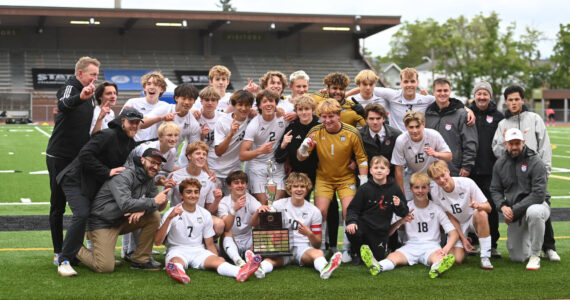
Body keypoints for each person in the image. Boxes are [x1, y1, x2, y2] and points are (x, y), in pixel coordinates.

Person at [55, 108, 142, 276]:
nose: (135, 126)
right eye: (131, 122)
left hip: (91, 183)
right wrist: (106, 172)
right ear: (122, 121)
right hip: (75, 179)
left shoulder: (129, 142)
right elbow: (85, 154)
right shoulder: (108, 135)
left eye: (137, 123)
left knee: (93, 212)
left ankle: (89, 253)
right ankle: (64, 259)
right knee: (82, 214)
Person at [74, 148, 169, 274]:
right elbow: (126, 204)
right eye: (152, 162)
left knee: (154, 216)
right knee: (105, 267)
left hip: (121, 220)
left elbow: (155, 204)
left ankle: (140, 259)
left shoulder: (149, 177)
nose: (156, 167)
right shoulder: (125, 174)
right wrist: (151, 203)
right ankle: (74, 248)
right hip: (102, 222)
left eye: (159, 165)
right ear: (142, 160)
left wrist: (143, 210)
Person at [491, 85, 559, 262]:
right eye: (510, 100)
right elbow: (497, 151)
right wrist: (504, 144)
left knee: (540, 203)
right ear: (506, 102)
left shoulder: (534, 119)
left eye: (516, 99)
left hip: (534, 171)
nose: (514, 103)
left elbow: (544, 146)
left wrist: (545, 171)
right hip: (514, 176)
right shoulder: (502, 124)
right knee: (517, 255)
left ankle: (548, 247)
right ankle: (525, 245)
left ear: (522, 100)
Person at [297, 99, 368, 260]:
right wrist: (303, 148)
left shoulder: (351, 132)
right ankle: (321, 247)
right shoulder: (316, 131)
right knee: (320, 212)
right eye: (324, 117)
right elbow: (301, 157)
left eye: (331, 116)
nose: (327, 120)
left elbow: (362, 158)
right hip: (324, 178)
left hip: (346, 178)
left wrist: (363, 180)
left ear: (339, 115)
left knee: (348, 212)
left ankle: (347, 249)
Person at [154, 178, 262, 284]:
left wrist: (217, 257)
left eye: (196, 192)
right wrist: (169, 218)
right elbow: (158, 242)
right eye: (188, 192)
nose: (193, 195)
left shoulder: (204, 213)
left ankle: (240, 272)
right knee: (176, 262)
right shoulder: (171, 212)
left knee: (218, 261)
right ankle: (180, 273)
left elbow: (209, 244)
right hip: (177, 250)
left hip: (198, 250)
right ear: (181, 195)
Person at [46, 56, 99, 265]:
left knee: (82, 205)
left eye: (96, 75)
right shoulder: (71, 87)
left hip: (79, 159)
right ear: (80, 74)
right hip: (60, 157)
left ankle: (76, 249)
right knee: (58, 205)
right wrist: (81, 97)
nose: (95, 78)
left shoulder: (91, 93)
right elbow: (64, 104)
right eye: (92, 74)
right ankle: (59, 251)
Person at [362, 172, 458, 278]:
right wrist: (401, 221)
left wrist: (445, 249)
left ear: (429, 189)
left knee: (438, 257)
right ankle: (377, 266)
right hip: (411, 246)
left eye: (423, 187)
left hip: (431, 246)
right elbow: (387, 233)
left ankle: (436, 268)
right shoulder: (404, 207)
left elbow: (453, 233)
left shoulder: (437, 208)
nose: (420, 191)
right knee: (394, 256)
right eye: (417, 187)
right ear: (411, 189)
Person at [252, 172, 342, 279]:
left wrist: (309, 234)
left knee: (318, 253)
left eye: (302, 186)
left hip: (302, 248)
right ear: (289, 188)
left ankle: (324, 269)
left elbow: (317, 244)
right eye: (295, 186)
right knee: (270, 260)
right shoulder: (277, 205)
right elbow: (254, 224)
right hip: (283, 247)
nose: (299, 189)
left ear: (307, 189)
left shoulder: (314, 211)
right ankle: (261, 269)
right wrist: (259, 212)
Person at [490, 128, 552, 270]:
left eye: (517, 143)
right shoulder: (500, 163)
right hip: (515, 210)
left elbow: (538, 194)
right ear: (505, 144)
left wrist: (513, 210)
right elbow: (495, 189)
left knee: (534, 212)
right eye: (511, 143)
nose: (514, 147)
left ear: (523, 142)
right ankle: (530, 240)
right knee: (517, 257)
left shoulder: (536, 161)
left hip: (538, 205)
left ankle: (536, 255)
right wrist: (503, 206)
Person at [346, 68, 475, 132]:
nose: (409, 85)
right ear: (401, 83)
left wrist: (468, 109)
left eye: (412, 81)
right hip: (397, 142)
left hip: (417, 141)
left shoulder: (426, 99)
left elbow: (448, 100)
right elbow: (367, 87)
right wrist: (346, 94)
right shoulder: (392, 95)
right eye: (406, 81)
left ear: (417, 82)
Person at [121, 122, 181, 259]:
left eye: (176, 135)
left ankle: (138, 248)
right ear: (160, 137)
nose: (173, 138)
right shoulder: (147, 149)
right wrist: (156, 181)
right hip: (130, 178)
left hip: (147, 180)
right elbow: (139, 174)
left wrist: (162, 181)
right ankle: (129, 250)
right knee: (136, 211)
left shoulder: (172, 151)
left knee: (148, 212)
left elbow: (165, 171)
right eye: (169, 135)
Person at [427, 160, 493, 270]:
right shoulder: (435, 192)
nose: (442, 180)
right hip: (456, 224)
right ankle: (465, 246)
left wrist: (478, 206)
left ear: (448, 171)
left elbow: (488, 208)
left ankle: (485, 257)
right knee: (456, 259)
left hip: (472, 219)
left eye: (443, 175)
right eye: (437, 178)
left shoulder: (467, 183)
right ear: (433, 180)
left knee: (482, 214)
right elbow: (449, 216)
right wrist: (463, 238)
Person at [346, 156, 408, 265]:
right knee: (352, 230)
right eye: (376, 167)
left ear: (388, 171)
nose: (379, 170)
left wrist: (399, 205)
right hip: (364, 227)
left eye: (382, 168)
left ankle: (372, 251)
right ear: (371, 170)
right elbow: (353, 209)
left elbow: (404, 212)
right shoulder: (364, 188)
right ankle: (356, 253)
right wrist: (351, 222)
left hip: (380, 231)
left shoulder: (395, 189)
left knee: (378, 258)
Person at [469, 81, 504, 258]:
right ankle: (472, 242)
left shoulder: (498, 116)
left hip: (491, 171)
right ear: (474, 95)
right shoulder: (465, 113)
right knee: (470, 208)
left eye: (485, 94)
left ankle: (493, 244)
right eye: (479, 93)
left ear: (490, 96)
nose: (482, 97)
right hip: (470, 170)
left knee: (490, 208)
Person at [240, 89, 288, 204]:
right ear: (259, 106)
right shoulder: (254, 125)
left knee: (276, 204)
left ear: (276, 104)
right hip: (257, 167)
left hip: (277, 167)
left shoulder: (284, 119)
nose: (268, 104)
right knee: (264, 204)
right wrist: (260, 151)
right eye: (264, 101)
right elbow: (242, 155)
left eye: (271, 101)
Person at [391, 110, 452, 200]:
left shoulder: (433, 135)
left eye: (417, 126)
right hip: (412, 174)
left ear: (423, 125)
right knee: (407, 202)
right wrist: (401, 194)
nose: (414, 131)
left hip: (433, 174)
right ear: (406, 127)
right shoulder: (401, 140)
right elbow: (398, 169)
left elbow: (449, 156)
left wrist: (435, 154)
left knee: (441, 201)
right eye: (411, 127)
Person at [169, 141, 224, 236]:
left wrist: (217, 200)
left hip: (199, 216)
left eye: (204, 154)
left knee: (219, 224)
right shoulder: (175, 176)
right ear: (189, 156)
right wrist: (166, 189)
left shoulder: (209, 179)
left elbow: (210, 210)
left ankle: (207, 244)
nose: (202, 156)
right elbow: (161, 207)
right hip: (179, 215)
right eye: (198, 153)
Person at [425, 78, 477, 177]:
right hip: (431, 169)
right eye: (439, 91)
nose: (442, 93)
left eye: (445, 90)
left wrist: (467, 166)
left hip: (453, 169)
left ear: (450, 91)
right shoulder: (428, 114)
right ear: (433, 92)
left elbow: (470, 142)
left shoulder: (462, 115)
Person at [275, 95, 320, 196]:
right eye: (300, 109)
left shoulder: (320, 127)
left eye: (307, 109)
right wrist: (283, 145)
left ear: (313, 110)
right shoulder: (291, 128)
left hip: (317, 173)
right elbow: (278, 158)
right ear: (296, 111)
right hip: (296, 174)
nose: (303, 112)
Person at [210, 90, 254, 195]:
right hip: (215, 170)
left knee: (235, 206)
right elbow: (219, 152)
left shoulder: (252, 120)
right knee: (213, 206)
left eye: (247, 105)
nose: (243, 108)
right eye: (240, 105)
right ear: (234, 105)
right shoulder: (223, 121)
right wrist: (230, 134)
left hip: (234, 171)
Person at [217, 171, 262, 267]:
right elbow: (226, 227)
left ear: (246, 185)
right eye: (236, 183)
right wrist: (234, 209)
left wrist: (261, 210)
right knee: (227, 232)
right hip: (232, 240)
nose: (240, 185)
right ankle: (238, 260)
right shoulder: (224, 202)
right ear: (230, 186)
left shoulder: (250, 199)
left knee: (260, 227)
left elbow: (260, 212)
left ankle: (250, 254)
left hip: (248, 238)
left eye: (243, 183)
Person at [140, 83, 201, 152]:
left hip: (171, 157)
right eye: (184, 98)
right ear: (176, 98)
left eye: (190, 99)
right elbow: (141, 124)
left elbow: (194, 148)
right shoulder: (165, 109)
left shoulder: (194, 123)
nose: (187, 102)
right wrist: (161, 118)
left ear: (194, 101)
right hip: (150, 153)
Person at [177, 86, 223, 168]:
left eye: (213, 100)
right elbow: (180, 113)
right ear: (201, 101)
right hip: (188, 160)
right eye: (207, 100)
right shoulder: (194, 115)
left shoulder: (222, 118)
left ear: (217, 102)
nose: (210, 103)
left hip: (211, 160)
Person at [121, 71, 171, 142]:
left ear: (162, 89)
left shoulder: (166, 106)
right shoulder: (132, 102)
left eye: (156, 84)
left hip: (154, 145)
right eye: (149, 84)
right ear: (144, 87)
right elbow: (120, 123)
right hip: (133, 144)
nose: (151, 87)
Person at [359, 103, 401, 177]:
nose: (375, 122)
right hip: (368, 177)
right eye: (371, 119)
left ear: (384, 119)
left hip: (390, 177)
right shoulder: (359, 136)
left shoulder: (396, 135)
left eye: (378, 118)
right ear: (366, 120)